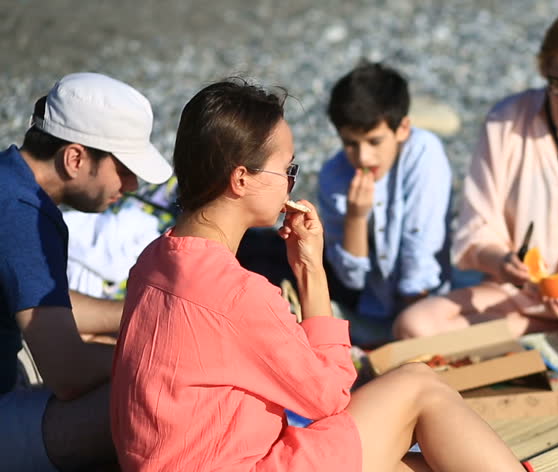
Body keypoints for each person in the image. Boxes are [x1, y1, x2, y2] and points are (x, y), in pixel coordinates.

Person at [110, 79, 526, 472]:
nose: (292, 183)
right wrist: (311, 271)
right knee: (418, 383)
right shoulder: (238, 294)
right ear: (241, 179)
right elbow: (328, 397)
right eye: (288, 169)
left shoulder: (153, 261)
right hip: (239, 463)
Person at [394, 11, 558, 363]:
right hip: (514, 285)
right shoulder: (505, 120)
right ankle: (537, 326)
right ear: (543, 68)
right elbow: (478, 225)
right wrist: (502, 262)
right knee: (413, 328)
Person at [0, 72, 172, 471]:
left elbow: (43, 303)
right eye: (124, 168)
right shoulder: (23, 217)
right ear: (75, 158)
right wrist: (167, 356)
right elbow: (68, 373)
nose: (130, 186)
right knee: (151, 396)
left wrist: (141, 314)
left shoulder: (10, 182)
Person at [318, 62, 453, 346]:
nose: (364, 157)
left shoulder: (423, 153)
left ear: (403, 128)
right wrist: (355, 217)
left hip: (425, 304)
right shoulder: (333, 175)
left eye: (374, 141)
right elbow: (350, 279)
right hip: (369, 306)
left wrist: (411, 339)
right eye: (351, 144)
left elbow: (419, 255)